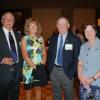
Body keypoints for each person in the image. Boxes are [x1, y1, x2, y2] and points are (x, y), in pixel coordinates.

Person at [47, 17, 81, 100]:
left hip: (67, 72)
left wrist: (72, 72)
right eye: (59, 24)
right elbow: (50, 54)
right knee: (56, 94)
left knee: (68, 95)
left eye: (64, 24)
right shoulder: (53, 38)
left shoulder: (75, 39)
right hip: (54, 71)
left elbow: (77, 58)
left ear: (68, 25)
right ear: (57, 26)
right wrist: (49, 68)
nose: (61, 26)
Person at [21, 17, 48, 100]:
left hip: (39, 67)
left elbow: (44, 53)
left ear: (37, 27)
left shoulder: (41, 38)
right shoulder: (24, 39)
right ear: (28, 27)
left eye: (34, 25)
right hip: (29, 68)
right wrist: (35, 67)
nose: (33, 27)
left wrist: (42, 64)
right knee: (28, 90)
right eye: (30, 25)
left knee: (38, 88)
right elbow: (25, 56)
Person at [0, 12, 22, 100]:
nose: (9, 21)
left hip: (17, 72)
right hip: (3, 73)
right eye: (7, 19)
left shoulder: (18, 35)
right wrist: (1, 59)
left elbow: (22, 53)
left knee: (15, 95)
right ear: (2, 21)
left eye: (12, 19)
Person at [78, 24, 100, 100]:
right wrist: (79, 75)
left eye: (91, 30)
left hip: (97, 83)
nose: (89, 33)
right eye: (86, 31)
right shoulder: (83, 46)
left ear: (95, 31)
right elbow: (80, 63)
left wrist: (92, 79)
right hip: (84, 82)